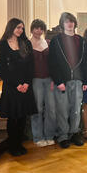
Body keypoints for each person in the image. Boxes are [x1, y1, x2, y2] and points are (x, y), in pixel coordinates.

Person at [0, 18, 37, 156]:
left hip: (25, 85)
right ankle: (12, 145)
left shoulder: (26, 43)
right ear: (11, 28)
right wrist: (16, 84)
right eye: (18, 27)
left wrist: (26, 83)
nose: (20, 30)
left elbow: (31, 66)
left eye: (22, 28)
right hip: (11, 86)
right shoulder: (2, 45)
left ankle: (19, 143)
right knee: (13, 117)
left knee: (22, 117)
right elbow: (0, 68)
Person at [49, 12, 87, 149]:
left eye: (72, 21)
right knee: (62, 110)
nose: (70, 24)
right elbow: (52, 63)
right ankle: (63, 136)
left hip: (78, 81)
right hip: (62, 82)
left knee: (76, 109)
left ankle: (74, 133)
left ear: (75, 23)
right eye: (67, 21)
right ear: (62, 24)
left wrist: (86, 81)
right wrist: (58, 81)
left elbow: (86, 62)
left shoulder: (81, 40)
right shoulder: (56, 40)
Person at [29, 19, 56, 148]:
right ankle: (38, 136)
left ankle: (49, 135)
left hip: (49, 79)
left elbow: (52, 63)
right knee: (37, 109)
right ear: (32, 29)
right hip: (35, 80)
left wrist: (53, 79)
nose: (38, 31)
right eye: (36, 28)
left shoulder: (47, 42)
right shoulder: (27, 44)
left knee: (51, 109)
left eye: (41, 28)